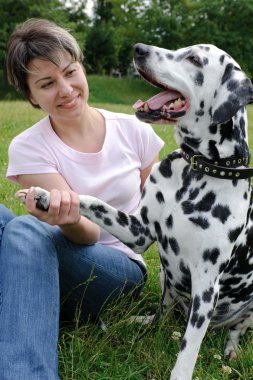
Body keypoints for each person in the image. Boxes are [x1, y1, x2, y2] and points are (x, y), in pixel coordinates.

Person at [0, 18, 164, 380]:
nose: (65, 89)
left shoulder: (134, 130)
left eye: (70, 72)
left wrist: (70, 218)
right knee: (23, 230)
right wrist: (65, 217)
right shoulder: (29, 146)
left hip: (118, 273)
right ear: (30, 96)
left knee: (26, 230)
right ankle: (28, 300)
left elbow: (160, 219)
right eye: (46, 83)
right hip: (56, 251)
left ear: (81, 67)